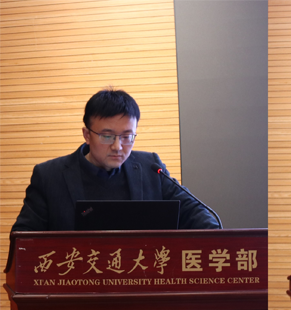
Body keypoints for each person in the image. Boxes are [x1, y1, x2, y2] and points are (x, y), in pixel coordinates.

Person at [12, 88, 220, 232]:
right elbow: (24, 236)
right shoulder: (49, 176)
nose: (118, 146)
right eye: (107, 136)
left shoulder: (151, 168)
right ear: (87, 135)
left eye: (127, 136)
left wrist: (217, 238)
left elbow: (194, 212)